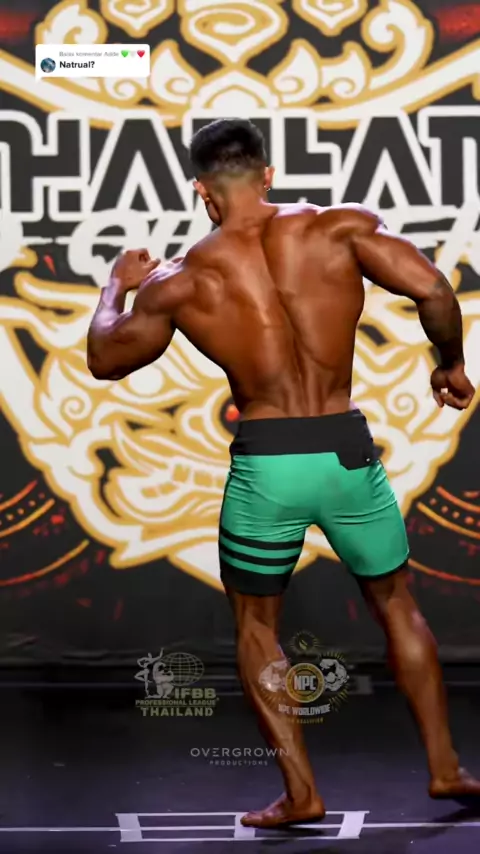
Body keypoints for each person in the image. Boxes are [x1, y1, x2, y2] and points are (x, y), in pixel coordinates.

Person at [87, 118, 480, 829]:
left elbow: (105, 359)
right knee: (398, 606)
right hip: (346, 455)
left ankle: (302, 793)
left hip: (268, 465)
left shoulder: (183, 278)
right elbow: (431, 290)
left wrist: (116, 286)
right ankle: (446, 768)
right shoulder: (339, 227)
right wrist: (450, 364)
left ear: (202, 192)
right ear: (267, 175)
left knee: (256, 628)